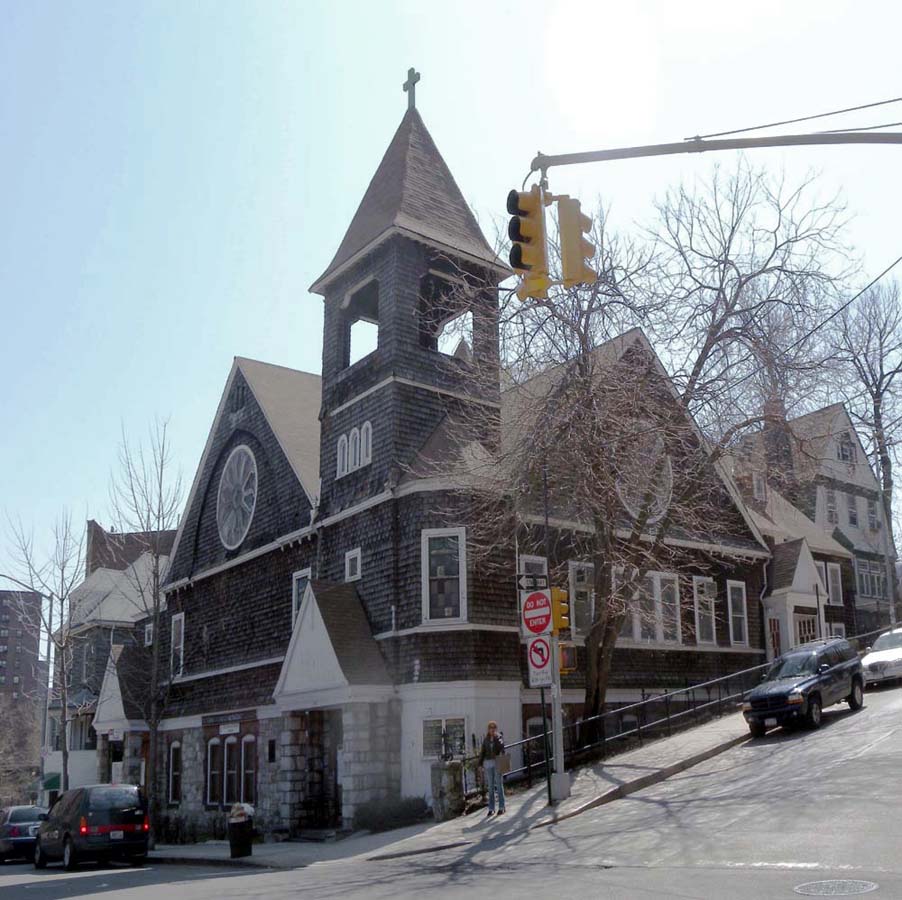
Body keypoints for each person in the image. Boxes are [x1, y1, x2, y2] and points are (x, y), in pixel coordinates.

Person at [478, 720, 506, 817]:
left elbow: (502, 748)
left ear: (496, 729)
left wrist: (497, 738)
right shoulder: (486, 739)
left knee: (499, 784)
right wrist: (480, 764)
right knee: (490, 786)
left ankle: (501, 807)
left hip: (497, 761)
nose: (492, 729)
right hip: (488, 763)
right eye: (490, 727)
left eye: (494, 727)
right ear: (488, 729)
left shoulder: (499, 737)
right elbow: (482, 752)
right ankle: (491, 808)